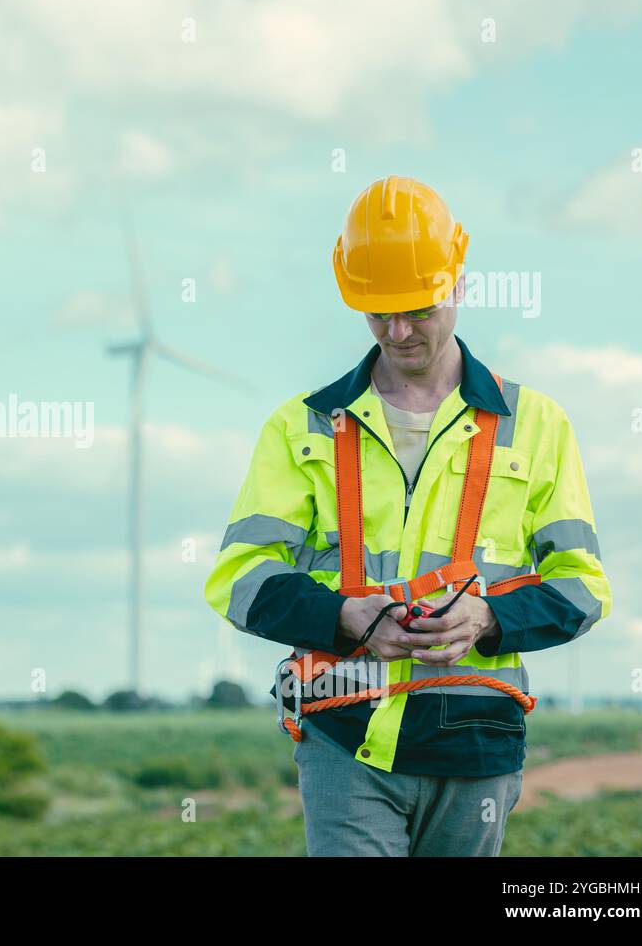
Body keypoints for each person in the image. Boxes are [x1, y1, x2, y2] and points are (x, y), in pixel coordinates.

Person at [203, 176, 611, 856]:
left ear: (457, 278)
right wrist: (344, 617)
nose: (397, 332)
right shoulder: (300, 427)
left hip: (477, 744)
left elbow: (584, 588)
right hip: (344, 737)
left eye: (417, 310)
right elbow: (238, 578)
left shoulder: (538, 425)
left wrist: (487, 618)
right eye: (376, 313)